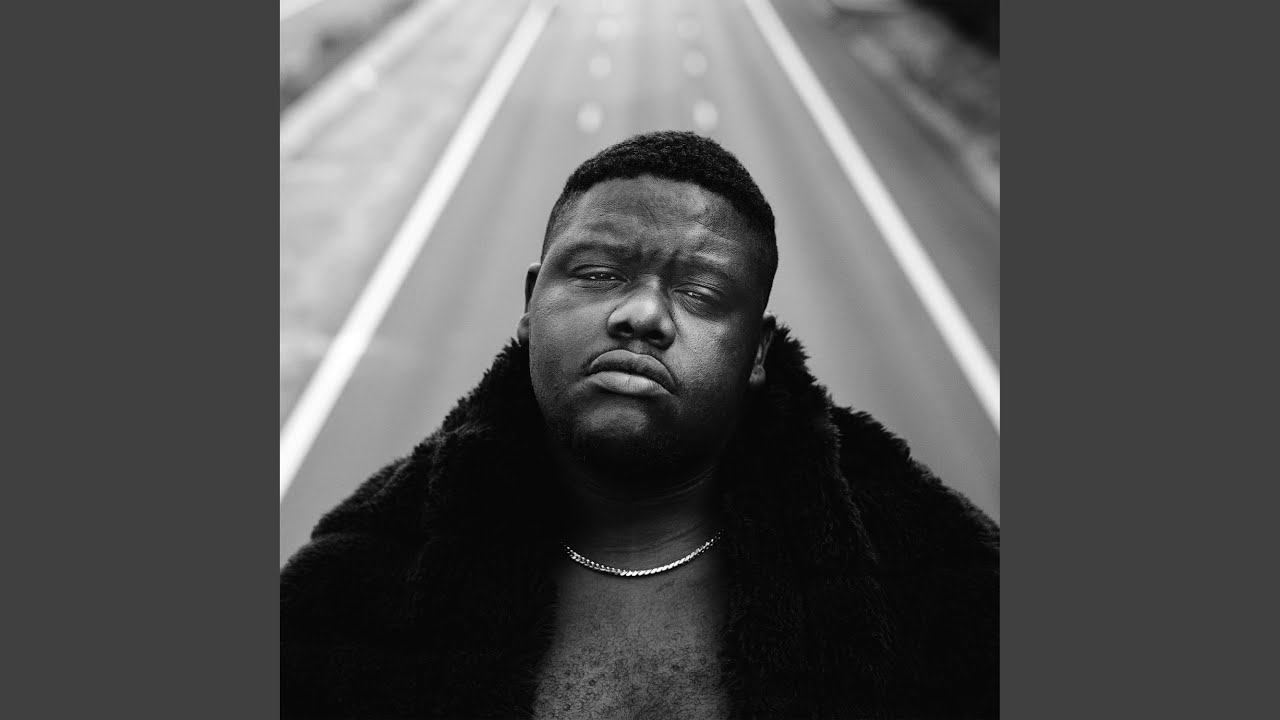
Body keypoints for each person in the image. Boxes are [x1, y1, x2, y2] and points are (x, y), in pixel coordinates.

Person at [280, 130, 999, 719]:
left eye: (701, 292)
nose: (644, 315)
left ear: (757, 353)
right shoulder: (344, 597)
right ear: (530, 306)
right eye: (598, 274)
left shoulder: (950, 592)